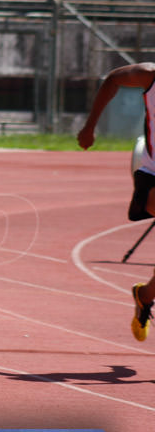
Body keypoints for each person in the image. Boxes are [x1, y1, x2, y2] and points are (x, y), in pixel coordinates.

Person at [77, 62, 155, 342]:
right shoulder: (149, 75)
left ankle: (145, 295)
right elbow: (112, 79)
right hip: (152, 176)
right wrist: (89, 127)